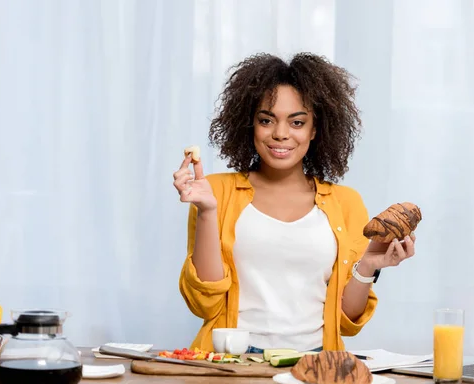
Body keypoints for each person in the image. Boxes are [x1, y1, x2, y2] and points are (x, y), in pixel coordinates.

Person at [172, 52, 416, 353]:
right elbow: (204, 304)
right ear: (251, 125)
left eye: (297, 122)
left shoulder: (346, 203)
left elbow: (346, 321)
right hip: (231, 363)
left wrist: (369, 264)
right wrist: (208, 212)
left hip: (315, 365)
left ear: (315, 130)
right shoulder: (214, 192)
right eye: (266, 120)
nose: (280, 134)